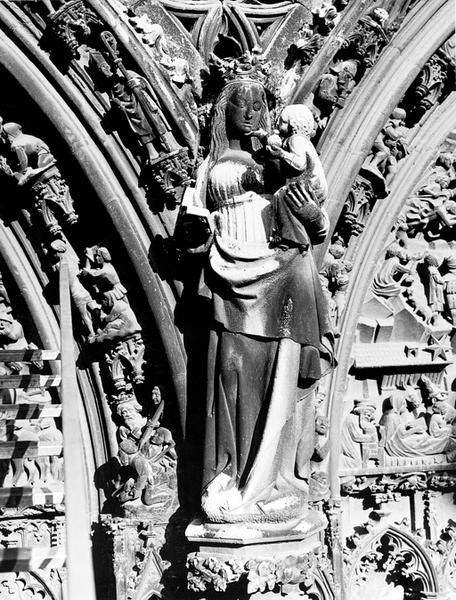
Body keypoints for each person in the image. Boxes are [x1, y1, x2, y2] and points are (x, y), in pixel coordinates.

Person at [186, 74, 333, 524]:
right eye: (240, 104)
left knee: (281, 373)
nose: (251, 112)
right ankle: (233, 475)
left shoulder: (275, 155)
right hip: (232, 276)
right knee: (233, 370)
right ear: (222, 112)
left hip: (283, 270)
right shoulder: (216, 167)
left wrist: (310, 210)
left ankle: (274, 479)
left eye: (257, 104)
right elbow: (210, 203)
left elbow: (318, 225)